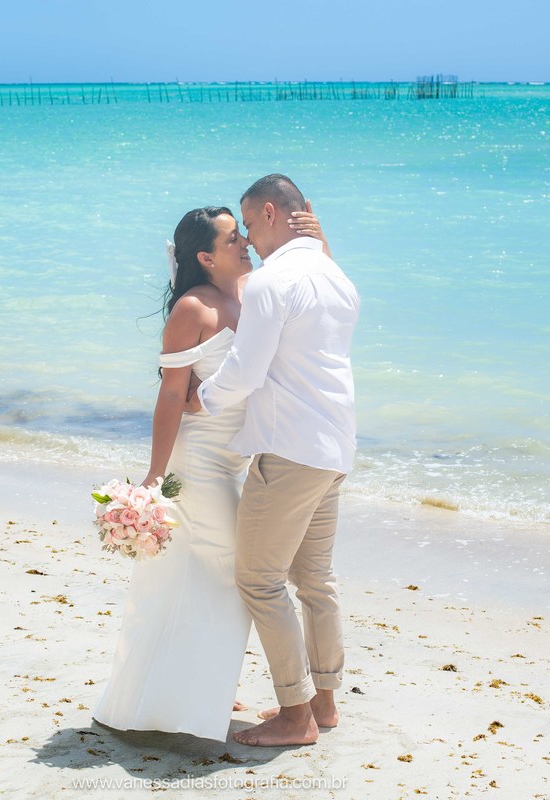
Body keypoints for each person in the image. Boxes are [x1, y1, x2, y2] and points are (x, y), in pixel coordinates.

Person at [92, 202, 328, 742]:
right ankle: (192, 694)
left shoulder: (248, 295)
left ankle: (196, 687)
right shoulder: (194, 310)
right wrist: (152, 480)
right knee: (230, 575)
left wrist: (320, 237)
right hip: (197, 465)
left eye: (242, 234)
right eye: (231, 239)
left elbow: (316, 286)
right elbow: (171, 395)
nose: (244, 242)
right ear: (205, 256)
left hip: (237, 461)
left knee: (198, 578)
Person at [193, 174, 359, 747]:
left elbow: (245, 371)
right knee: (315, 579)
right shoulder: (336, 275)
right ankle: (325, 702)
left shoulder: (271, 283)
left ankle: (295, 716)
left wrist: (201, 398)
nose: (245, 239)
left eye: (247, 224)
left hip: (289, 451)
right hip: (336, 447)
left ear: (269, 212)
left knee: (260, 581)